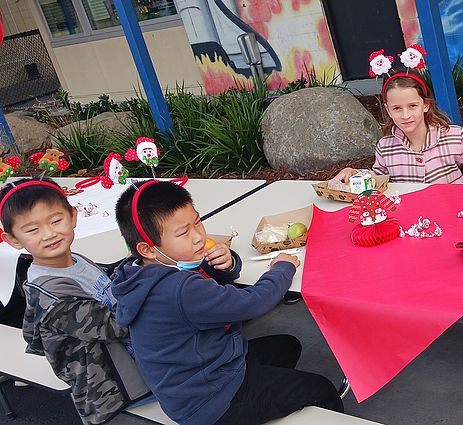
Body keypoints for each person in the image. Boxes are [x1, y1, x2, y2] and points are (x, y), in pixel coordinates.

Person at [111, 180, 342, 425]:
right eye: (183, 233)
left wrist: (227, 264)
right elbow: (253, 303)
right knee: (321, 389)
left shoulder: (145, 271)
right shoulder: (178, 289)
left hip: (192, 379)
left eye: (197, 221)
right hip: (210, 400)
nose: (198, 236)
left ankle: (267, 400)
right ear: (147, 248)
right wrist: (282, 268)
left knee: (287, 346)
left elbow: (205, 284)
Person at [0, 178, 149, 424]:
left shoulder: (74, 260)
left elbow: (109, 287)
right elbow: (118, 324)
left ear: (73, 216)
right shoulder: (53, 295)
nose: (49, 234)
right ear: (13, 239)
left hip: (132, 362)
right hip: (112, 392)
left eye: (56, 220)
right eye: (32, 229)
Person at [335, 69, 463, 184]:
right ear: (388, 110)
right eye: (397, 108)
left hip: (457, 218)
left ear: (425, 105)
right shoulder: (385, 147)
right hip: (411, 223)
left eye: (412, 106)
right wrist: (354, 173)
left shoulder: (455, 137)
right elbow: (378, 179)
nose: (405, 115)